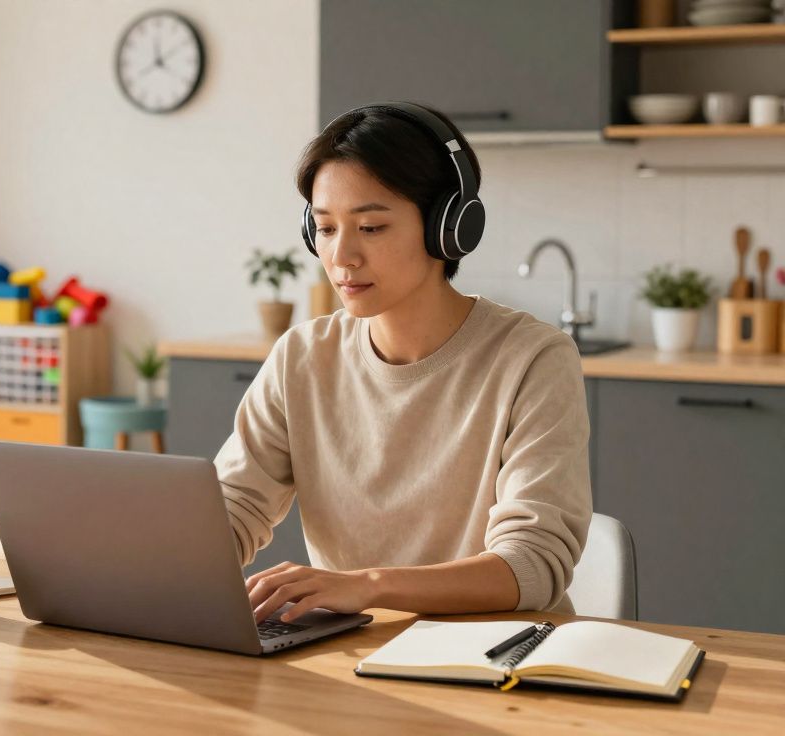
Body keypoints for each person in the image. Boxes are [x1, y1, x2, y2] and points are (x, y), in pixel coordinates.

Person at [226, 103, 592, 624]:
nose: (342, 256)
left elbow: (531, 564)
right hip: (353, 658)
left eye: (371, 227)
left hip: (497, 658)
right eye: (326, 229)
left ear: (448, 227)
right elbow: (233, 510)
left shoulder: (532, 359)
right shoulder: (301, 358)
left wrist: (368, 586)